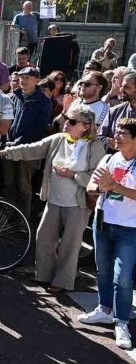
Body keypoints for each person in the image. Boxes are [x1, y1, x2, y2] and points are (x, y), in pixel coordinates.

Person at [0, 106, 104, 293]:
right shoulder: (58, 140)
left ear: (85, 126)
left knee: (70, 244)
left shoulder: (95, 146)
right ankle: (44, 275)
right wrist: (3, 153)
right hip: (54, 199)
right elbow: (32, 149)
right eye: (65, 119)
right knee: (44, 238)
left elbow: (97, 177)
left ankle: (62, 282)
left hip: (76, 204)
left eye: (71, 121)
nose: (65, 124)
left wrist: (72, 175)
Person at [79, 117, 136, 350]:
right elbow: (91, 186)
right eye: (117, 131)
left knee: (122, 277)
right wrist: (100, 187)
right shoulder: (109, 157)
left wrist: (115, 186)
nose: (117, 135)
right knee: (102, 271)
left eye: (124, 132)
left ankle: (121, 321)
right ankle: (104, 309)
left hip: (129, 228)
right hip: (102, 223)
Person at [2, 67, 53, 219]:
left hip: (29, 150)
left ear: (37, 80)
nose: (23, 80)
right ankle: (6, 218)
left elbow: (39, 128)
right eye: (22, 77)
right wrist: (7, 140)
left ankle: (23, 221)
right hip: (9, 147)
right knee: (8, 183)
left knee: (24, 186)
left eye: (28, 78)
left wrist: (17, 142)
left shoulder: (44, 102)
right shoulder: (14, 96)